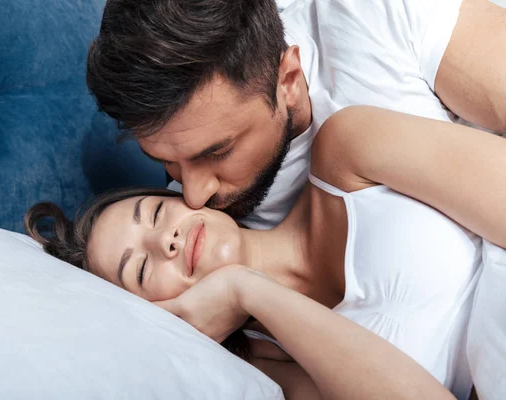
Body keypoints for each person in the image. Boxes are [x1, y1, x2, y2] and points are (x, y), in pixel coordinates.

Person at [27, 106, 506, 399]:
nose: (165, 241)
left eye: (154, 215)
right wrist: (245, 290)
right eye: (143, 269)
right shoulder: (268, 372)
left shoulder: (346, 153)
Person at [86, 0, 506, 230]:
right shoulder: (180, 236)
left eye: (218, 153)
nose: (194, 196)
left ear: (288, 78)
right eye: (166, 164)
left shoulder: (380, 16)